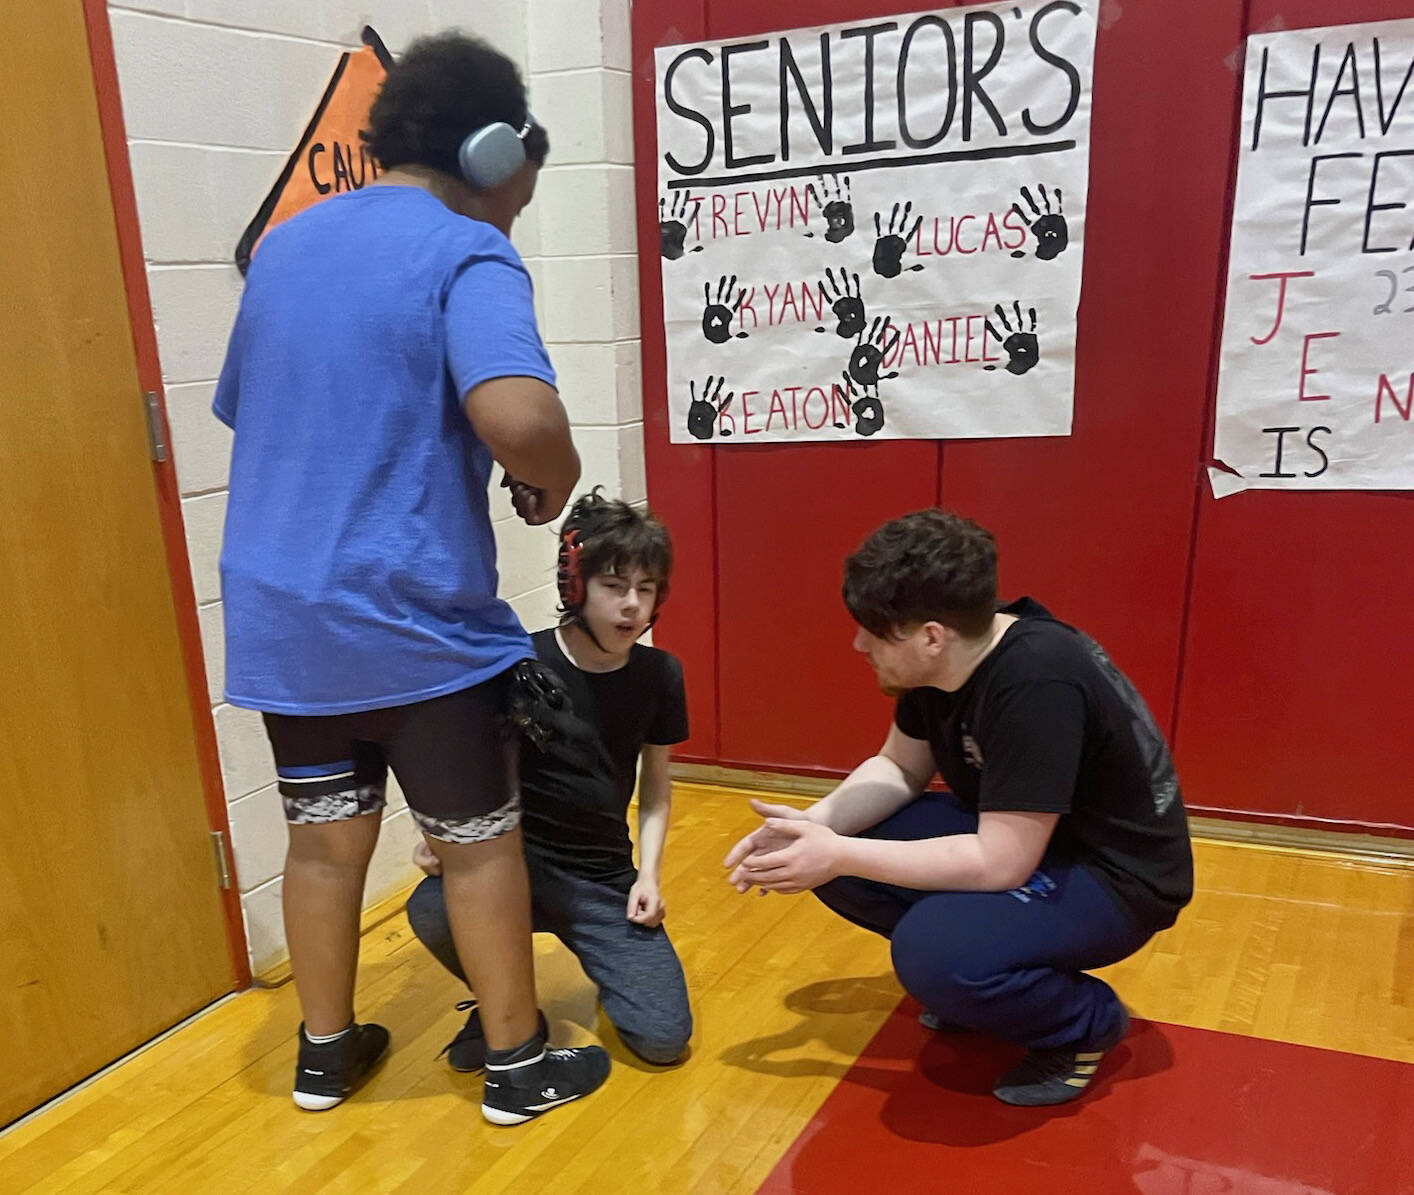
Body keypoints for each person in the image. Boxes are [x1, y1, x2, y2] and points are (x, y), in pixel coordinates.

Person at [214, 32, 611, 1126]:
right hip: (408, 616)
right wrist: (556, 475)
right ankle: (519, 1064)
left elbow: (258, 409)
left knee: (323, 842)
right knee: (480, 848)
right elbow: (518, 416)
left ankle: (326, 1053)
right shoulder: (465, 249)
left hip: (283, 616)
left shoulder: (287, 250)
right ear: (495, 150)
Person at [725, 509, 1193, 1107]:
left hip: (1117, 878)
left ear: (930, 636)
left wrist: (840, 851)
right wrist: (815, 827)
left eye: (874, 630)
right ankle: (983, 982)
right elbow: (900, 767)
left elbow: (1001, 864)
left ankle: (1083, 1023)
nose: (858, 643)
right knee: (844, 855)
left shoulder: (1035, 680)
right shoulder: (945, 662)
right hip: (1036, 841)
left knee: (929, 949)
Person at [406, 491, 694, 1069]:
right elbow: (458, 758)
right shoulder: (522, 663)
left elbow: (656, 787)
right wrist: (442, 837)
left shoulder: (660, 674)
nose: (632, 606)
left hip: (602, 876)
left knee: (664, 1040)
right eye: (615, 586)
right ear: (577, 585)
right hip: (512, 866)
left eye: (646, 589)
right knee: (432, 907)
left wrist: (651, 877)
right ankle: (506, 1009)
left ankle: (605, 976)